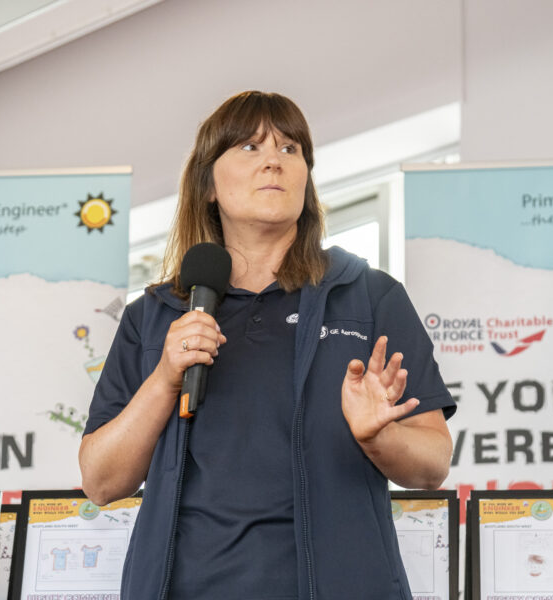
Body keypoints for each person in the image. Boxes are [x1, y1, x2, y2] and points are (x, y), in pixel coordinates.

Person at [79, 91, 455, 600]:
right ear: (208, 185)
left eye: (290, 148)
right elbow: (101, 481)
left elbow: (432, 464)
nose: (274, 161)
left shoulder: (369, 296)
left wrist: (377, 437)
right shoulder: (153, 315)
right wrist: (165, 378)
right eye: (250, 147)